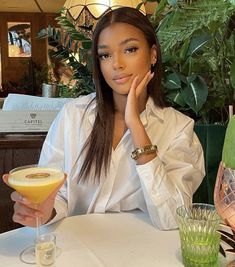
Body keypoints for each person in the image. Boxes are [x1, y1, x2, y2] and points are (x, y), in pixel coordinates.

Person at [3, 7, 205, 230]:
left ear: (153, 54)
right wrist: (44, 210)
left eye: (130, 49)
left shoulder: (178, 128)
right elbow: (57, 193)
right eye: (105, 55)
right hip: (78, 250)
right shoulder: (74, 115)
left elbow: (174, 218)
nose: (116, 64)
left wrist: (136, 127)